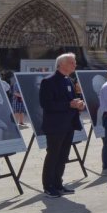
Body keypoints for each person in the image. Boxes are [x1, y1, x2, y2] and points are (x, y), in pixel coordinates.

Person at [39, 52, 84, 197]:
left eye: (75, 62)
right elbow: (46, 104)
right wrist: (69, 104)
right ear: (61, 64)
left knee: (63, 156)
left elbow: (70, 101)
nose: (75, 65)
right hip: (55, 125)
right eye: (72, 62)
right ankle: (48, 186)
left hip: (68, 125)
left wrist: (78, 104)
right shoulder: (49, 81)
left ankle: (58, 183)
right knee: (53, 155)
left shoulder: (68, 80)